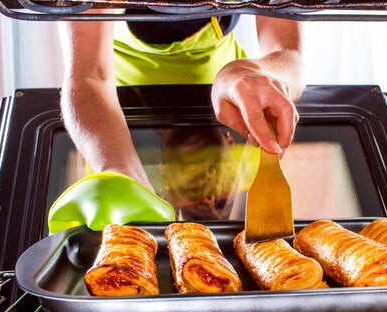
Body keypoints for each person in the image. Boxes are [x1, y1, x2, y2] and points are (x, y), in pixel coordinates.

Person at [57, 10, 304, 195]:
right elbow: (88, 75)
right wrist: (120, 172)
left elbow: (290, 60)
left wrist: (251, 71)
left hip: (232, 106)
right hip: (112, 119)